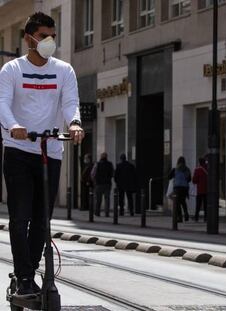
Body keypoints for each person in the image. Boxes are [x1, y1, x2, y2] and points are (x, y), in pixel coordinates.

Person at [0, 12, 84, 296]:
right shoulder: (12, 70)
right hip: (19, 151)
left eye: (53, 36)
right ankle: (23, 278)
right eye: (43, 36)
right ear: (28, 38)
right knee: (20, 217)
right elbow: (2, 104)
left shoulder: (64, 70)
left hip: (50, 151)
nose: (49, 42)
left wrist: (74, 123)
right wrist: (13, 126)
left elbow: (70, 101)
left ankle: (30, 271)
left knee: (41, 219)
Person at [168, 156, 191, 222]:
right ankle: (186, 214)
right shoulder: (187, 169)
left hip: (177, 188)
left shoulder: (175, 169)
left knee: (177, 203)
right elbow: (189, 179)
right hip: (185, 188)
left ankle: (180, 218)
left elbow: (169, 177)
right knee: (183, 201)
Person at [91, 152, 114, 217]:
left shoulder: (97, 164)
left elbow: (93, 174)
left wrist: (94, 181)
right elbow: (112, 173)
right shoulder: (110, 164)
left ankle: (97, 212)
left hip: (99, 184)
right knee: (107, 199)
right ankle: (107, 213)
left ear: (101, 157)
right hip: (107, 184)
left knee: (98, 199)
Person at [192, 158, 208, 222]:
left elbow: (194, 180)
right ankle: (206, 218)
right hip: (207, 190)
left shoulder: (197, 170)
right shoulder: (208, 169)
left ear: (199, 162)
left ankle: (196, 217)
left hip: (199, 190)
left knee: (198, 204)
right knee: (206, 205)